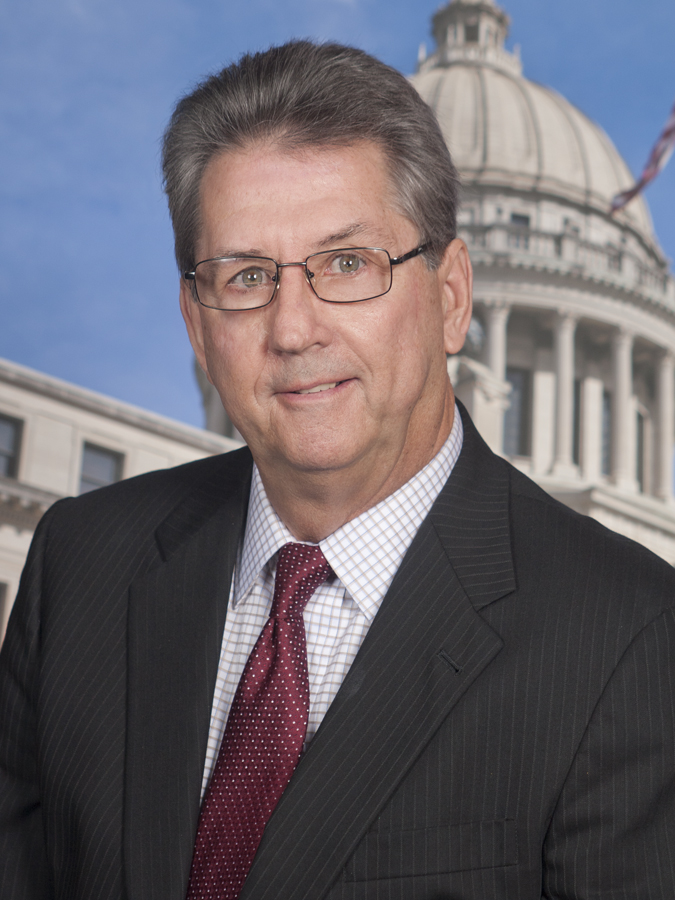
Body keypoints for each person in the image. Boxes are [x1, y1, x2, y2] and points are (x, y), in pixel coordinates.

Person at [1, 40, 674, 900]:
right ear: (196, 323)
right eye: (246, 276)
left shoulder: (628, 635)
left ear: (451, 297)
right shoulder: (82, 564)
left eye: (346, 265)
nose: (294, 330)